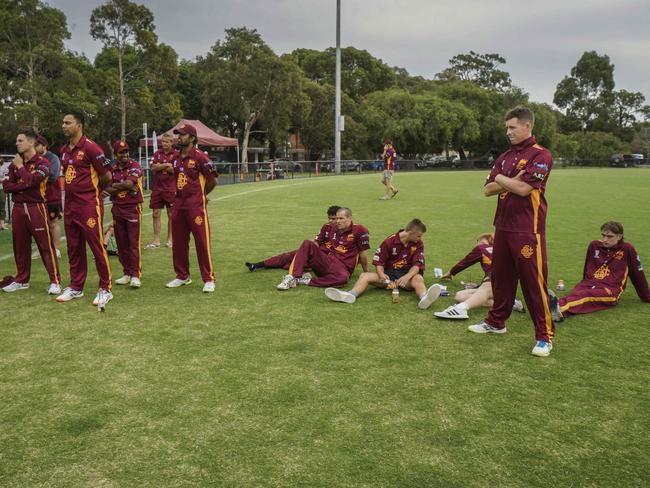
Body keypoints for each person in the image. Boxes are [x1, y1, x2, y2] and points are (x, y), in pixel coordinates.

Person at [468, 106, 555, 357]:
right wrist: (510, 178)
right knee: (501, 278)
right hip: (502, 227)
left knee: (533, 283)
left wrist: (502, 178)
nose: (508, 132)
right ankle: (496, 322)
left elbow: (523, 189)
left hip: (528, 229)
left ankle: (544, 336)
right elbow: (487, 189)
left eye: (512, 127)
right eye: (506, 127)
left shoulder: (542, 155)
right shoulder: (505, 156)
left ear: (527, 126)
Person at [55, 110, 114, 308]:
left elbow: (107, 176)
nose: (63, 125)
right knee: (73, 247)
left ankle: (105, 288)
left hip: (88, 206)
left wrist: (98, 194)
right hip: (70, 206)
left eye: (68, 122)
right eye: (63, 122)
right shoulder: (63, 149)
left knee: (96, 246)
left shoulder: (92, 148)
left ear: (79, 125)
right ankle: (76, 286)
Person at [325, 219, 442, 309]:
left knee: (418, 278)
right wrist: (381, 274)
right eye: (419, 236)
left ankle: (424, 298)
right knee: (364, 276)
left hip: (406, 278)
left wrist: (406, 277)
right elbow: (379, 261)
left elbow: (417, 265)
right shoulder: (389, 241)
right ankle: (350, 295)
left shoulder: (419, 244)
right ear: (410, 233)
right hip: (388, 277)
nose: (420, 238)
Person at [1, 128, 62, 294]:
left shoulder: (43, 163)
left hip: (37, 208)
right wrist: (24, 184)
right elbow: (7, 187)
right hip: (18, 209)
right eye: (17, 141)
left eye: (20, 140)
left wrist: (21, 170)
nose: (16, 143)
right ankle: (22, 280)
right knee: (20, 247)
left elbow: (32, 180)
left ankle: (55, 281)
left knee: (45, 246)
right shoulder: (14, 164)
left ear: (31, 142)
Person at [551, 221, 650, 320]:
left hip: (609, 290)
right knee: (576, 295)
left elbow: (638, 274)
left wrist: (646, 296)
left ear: (619, 237)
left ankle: (557, 309)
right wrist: (583, 284)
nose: (605, 239)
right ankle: (549, 307)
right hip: (588, 284)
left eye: (610, 236)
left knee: (585, 295)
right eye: (603, 235)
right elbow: (587, 268)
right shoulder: (594, 245)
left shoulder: (627, 249)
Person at [165, 123, 218, 292]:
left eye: (182, 134)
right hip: (178, 206)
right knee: (179, 243)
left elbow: (212, 181)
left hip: (195, 207)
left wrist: (201, 195)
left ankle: (208, 279)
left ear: (192, 138)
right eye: (178, 134)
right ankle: (182, 276)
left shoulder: (201, 157)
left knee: (202, 242)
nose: (179, 137)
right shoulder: (175, 158)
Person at [433, 233, 524, 319]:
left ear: (479, 241)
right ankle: (509, 303)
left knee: (486, 288)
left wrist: (450, 273)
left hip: (498, 279)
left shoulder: (480, 248)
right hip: (504, 281)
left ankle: (460, 309)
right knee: (460, 296)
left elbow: (465, 262)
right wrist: (479, 286)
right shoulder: (499, 248)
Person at [276, 207, 369, 290]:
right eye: (337, 218)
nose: (338, 221)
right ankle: (291, 277)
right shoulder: (334, 228)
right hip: (328, 262)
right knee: (307, 243)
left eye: (341, 218)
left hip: (343, 268)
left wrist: (366, 273)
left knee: (342, 279)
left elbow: (362, 254)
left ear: (349, 218)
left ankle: (305, 281)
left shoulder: (360, 230)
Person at [245, 205, 340, 272]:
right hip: (316, 253)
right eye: (329, 218)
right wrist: (310, 249)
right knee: (287, 255)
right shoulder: (326, 227)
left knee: (296, 263)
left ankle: (290, 266)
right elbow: (317, 241)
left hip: (326, 258)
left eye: (333, 218)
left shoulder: (344, 231)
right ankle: (256, 265)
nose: (330, 221)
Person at [104, 140, 143, 288]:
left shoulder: (135, 166)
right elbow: (106, 187)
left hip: (132, 207)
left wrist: (115, 186)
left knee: (133, 244)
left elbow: (128, 184)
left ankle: (135, 275)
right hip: (117, 208)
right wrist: (123, 186)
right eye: (121, 152)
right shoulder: (112, 168)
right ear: (115, 154)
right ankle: (127, 273)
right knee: (121, 244)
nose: (125, 154)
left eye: (126, 151)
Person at [34, 135, 62, 258]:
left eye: (36, 145)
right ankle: (44, 249)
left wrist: (36, 177)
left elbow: (54, 176)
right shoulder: (34, 158)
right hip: (38, 196)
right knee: (40, 224)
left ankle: (56, 249)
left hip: (52, 196)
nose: (34, 147)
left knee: (53, 222)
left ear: (44, 146)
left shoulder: (53, 158)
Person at [146, 132, 176, 249]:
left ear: (171, 143)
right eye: (163, 141)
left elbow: (174, 170)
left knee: (171, 214)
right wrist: (166, 165)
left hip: (170, 188)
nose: (164, 144)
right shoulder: (157, 153)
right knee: (155, 213)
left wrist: (161, 166)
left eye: (167, 142)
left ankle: (170, 240)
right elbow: (153, 168)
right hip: (157, 188)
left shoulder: (176, 154)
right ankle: (156, 240)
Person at [0, 157, 9, 230]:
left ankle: (2, 224)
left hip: (1, 188)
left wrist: (3, 180)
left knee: (2, 204)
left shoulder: (4, 167)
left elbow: (7, 176)